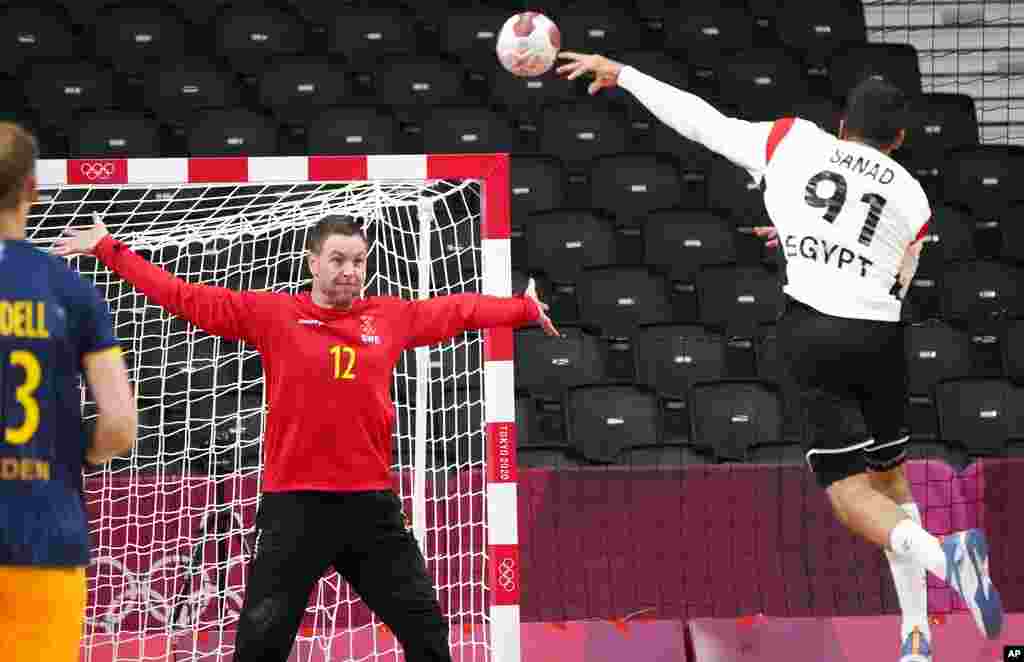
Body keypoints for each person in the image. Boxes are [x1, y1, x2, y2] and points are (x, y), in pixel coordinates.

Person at [555, 52, 1003, 661]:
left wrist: (624, 74)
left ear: (843, 124)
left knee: (850, 497)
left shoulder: (796, 142)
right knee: (891, 478)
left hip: (814, 334)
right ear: (897, 139)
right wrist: (805, 234)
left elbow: (704, 123)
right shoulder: (915, 197)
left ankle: (946, 558)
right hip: (880, 339)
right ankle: (916, 635)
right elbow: (896, 278)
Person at [54, 213, 557, 662]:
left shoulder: (390, 317)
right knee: (259, 646)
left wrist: (522, 309)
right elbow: (187, 299)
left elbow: (460, 311)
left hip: (372, 510)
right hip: (295, 508)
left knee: (426, 632)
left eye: (359, 260)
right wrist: (107, 249)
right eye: (337, 259)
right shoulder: (275, 315)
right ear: (312, 261)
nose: (349, 271)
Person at [0, 122, 137, 661]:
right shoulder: (71, 289)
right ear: (33, 188)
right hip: (44, 534)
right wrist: (67, 453)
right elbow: (120, 425)